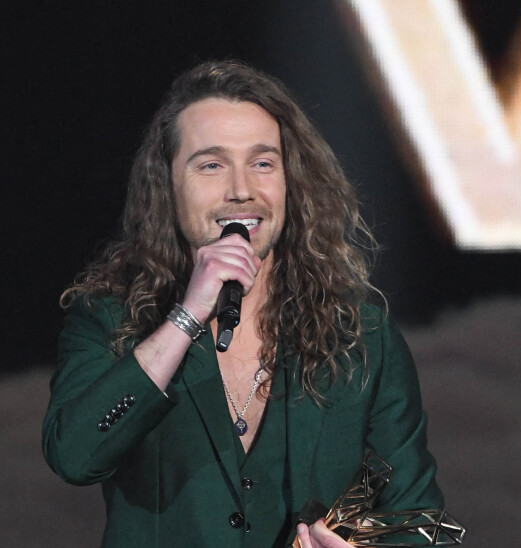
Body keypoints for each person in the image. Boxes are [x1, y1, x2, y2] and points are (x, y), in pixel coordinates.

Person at [42, 61, 444, 547]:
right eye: (211, 164)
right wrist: (186, 318)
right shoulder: (110, 316)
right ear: (167, 185)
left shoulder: (359, 329)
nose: (241, 190)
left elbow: (418, 520)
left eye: (262, 163)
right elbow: (75, 455)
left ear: (290, 181)